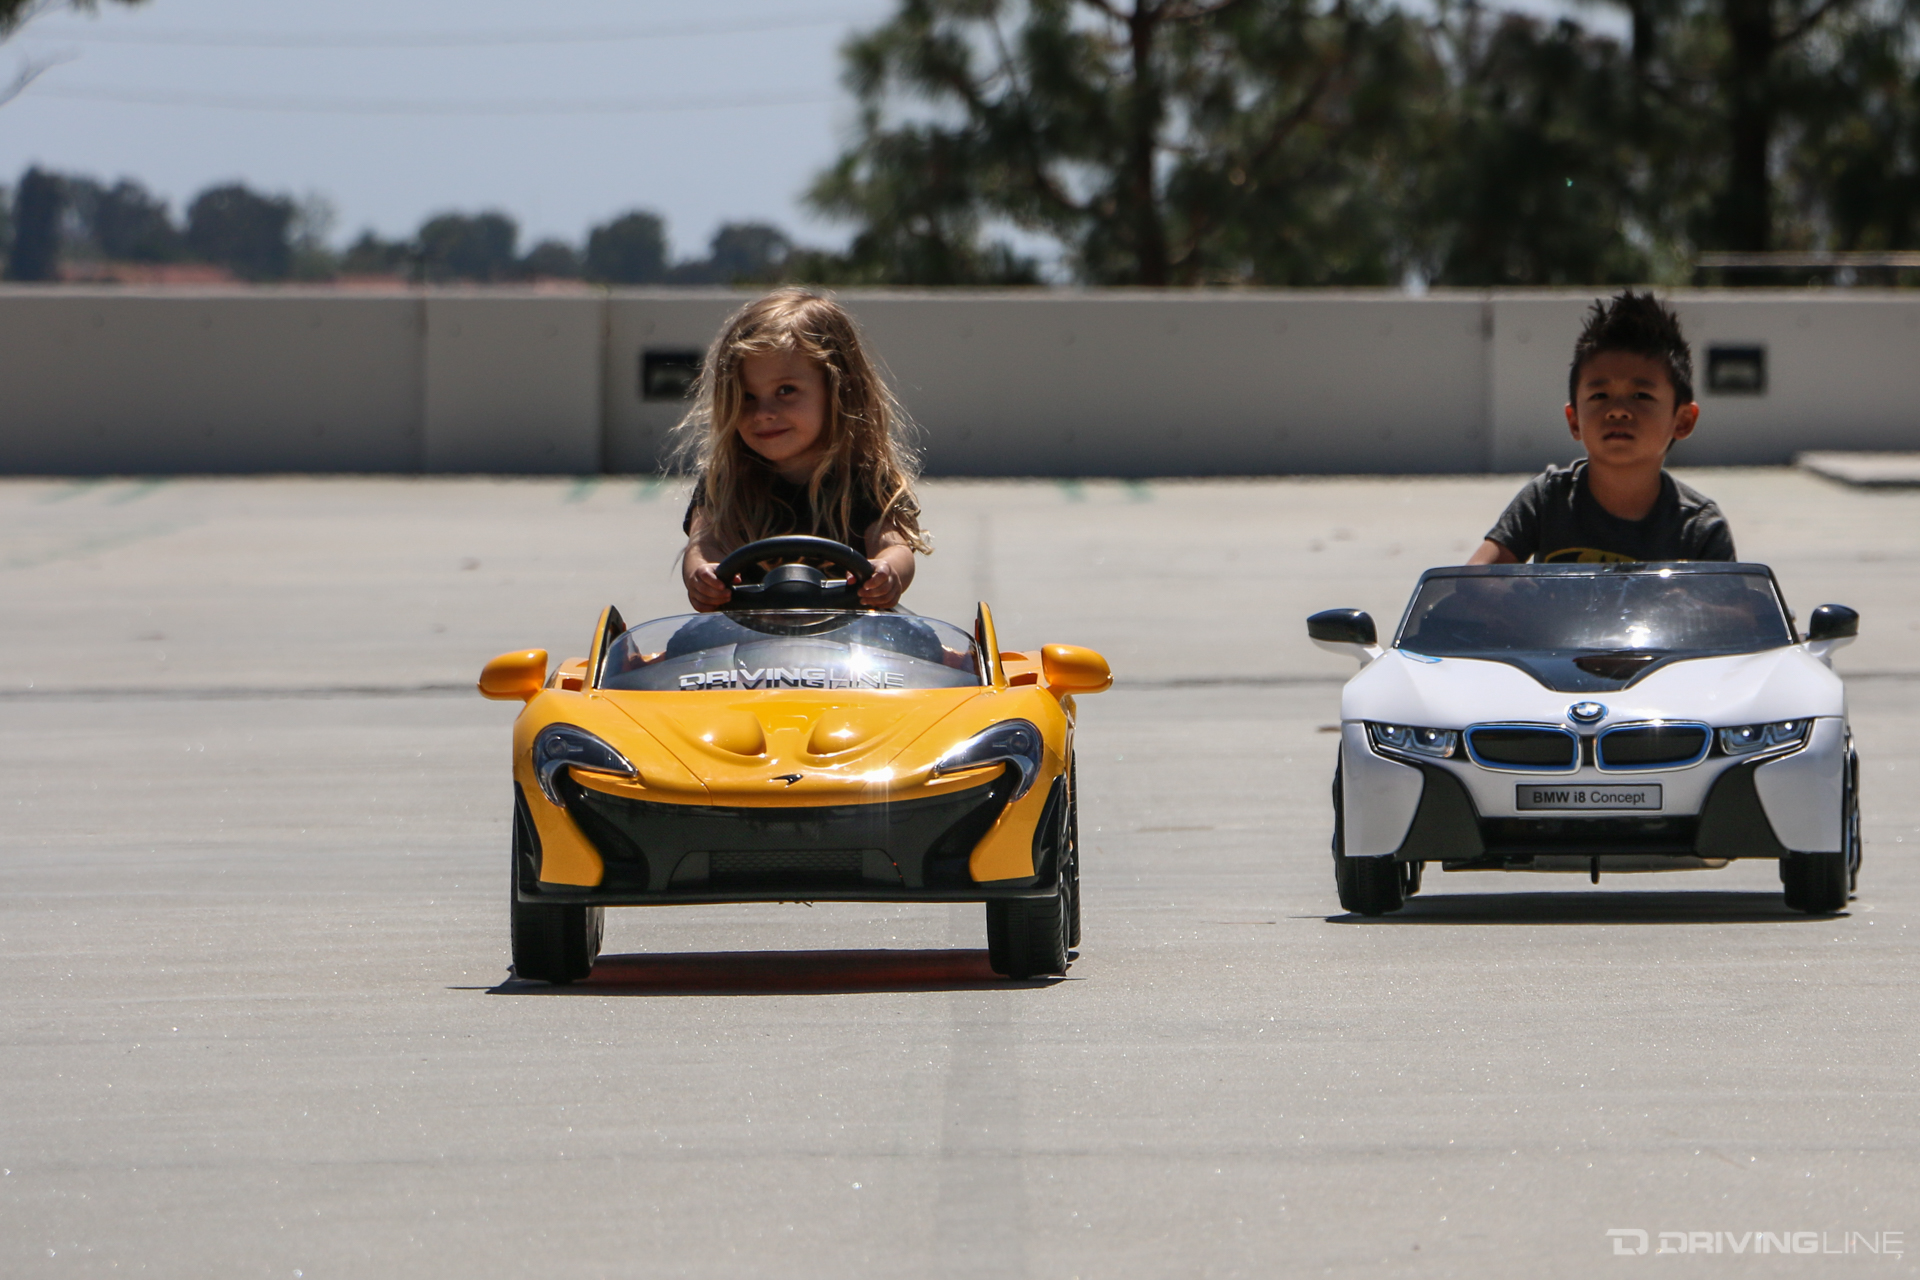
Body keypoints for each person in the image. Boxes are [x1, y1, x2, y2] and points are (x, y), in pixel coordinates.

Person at [676, 288, 932, 612]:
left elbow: (893, 546)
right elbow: (703, 544)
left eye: (786, 391)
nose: (763, 412)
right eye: (747, 396)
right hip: (749, 641)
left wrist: (888, 571)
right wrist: (702, 573)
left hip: (851, 643)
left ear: (838, 389)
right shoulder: (727, 479)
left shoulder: (865, 478)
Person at [1469, 291, 1736, 564]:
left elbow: (1733, 606)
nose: (1617, 410)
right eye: (1599, 396)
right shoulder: (1548, 500)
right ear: (1574, 421)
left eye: (1641, 395)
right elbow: (1474, 580)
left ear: (1682, 421)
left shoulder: (1700, 527)